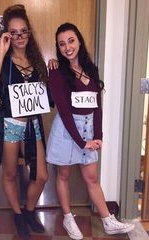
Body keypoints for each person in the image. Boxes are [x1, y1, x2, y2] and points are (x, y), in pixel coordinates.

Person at [46, 23, 134, 240]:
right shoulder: (57, 72)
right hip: (67, 131)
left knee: (92, 177)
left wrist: (98, 136)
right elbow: (65, 113)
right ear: (58, 48)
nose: (67, 47)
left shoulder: (91, 69)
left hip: (87, 129)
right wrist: (81, 141)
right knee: (64, 175)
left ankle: (108, 221)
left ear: (79, 41)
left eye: (71, 40)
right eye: (62, 43)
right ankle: (68, 218)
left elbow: (97, 107)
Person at [0, 5, 53, 240]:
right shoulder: (2, 58)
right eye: (14, 32)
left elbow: (45, 93)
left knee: (41, 175)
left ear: (29, 33)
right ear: (7, 34)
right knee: (10, 174)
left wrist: (54, 69)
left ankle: (30, 211)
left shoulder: (36, 59)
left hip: (33, 125)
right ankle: (18, 215)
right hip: (11, 124)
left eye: (24, 32)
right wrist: (1, 52)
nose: (20, 37)